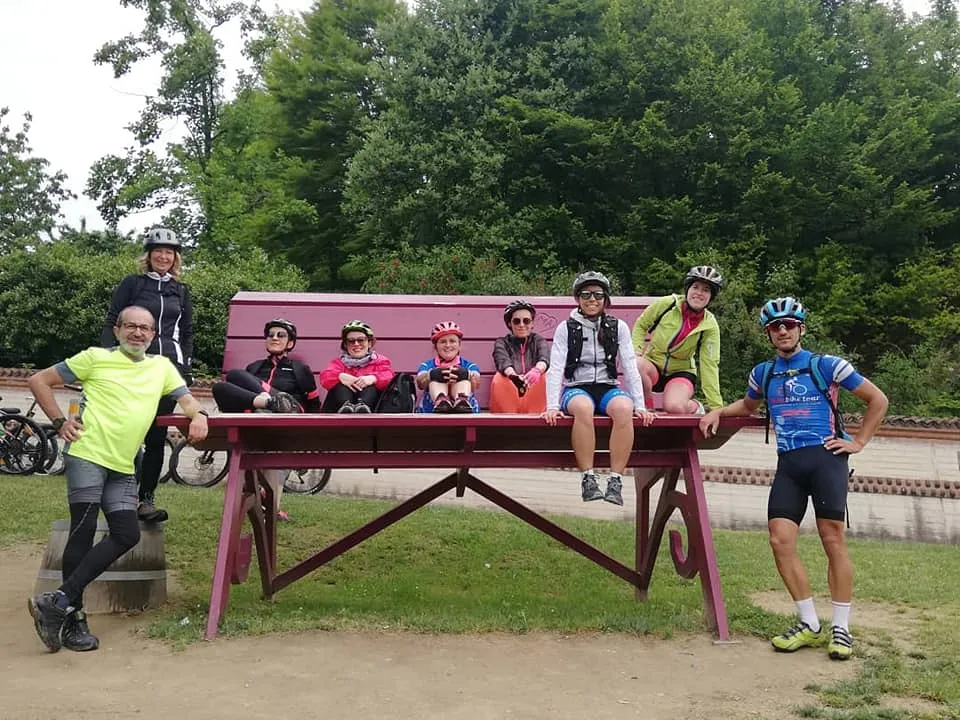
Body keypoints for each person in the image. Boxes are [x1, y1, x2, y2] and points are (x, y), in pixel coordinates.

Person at [699, 297, 888, 661]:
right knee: (779, 540)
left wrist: (859, 441)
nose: (782, 330)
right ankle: (809, 623)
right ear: (768, 334)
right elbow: (749, 405)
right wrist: (718, 411)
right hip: (789, 464)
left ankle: (841, 628)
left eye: (789, 325)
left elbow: (877, 399)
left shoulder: (827, 365)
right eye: (775, 326)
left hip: (827, 459)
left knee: (833, 540)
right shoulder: (763, 373)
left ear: (801, 329)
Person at [27, 306, 209, 653]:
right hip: (88, 454)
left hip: (123, 465)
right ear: (117, 330)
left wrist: (199, 415)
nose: (137, 333)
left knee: (127, 533)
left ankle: (58, 601)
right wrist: (59, 422)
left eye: (145, 328)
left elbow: (186, 399)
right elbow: (39, 380)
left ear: (153, 335)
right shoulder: (95, 358)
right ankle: (74, 620)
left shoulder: (161, 367)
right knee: (82, 532)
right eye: (131, 326)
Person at [101, 227, 194, 524]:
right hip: (136, 364)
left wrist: (186, 367)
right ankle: (121, 495)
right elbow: (113, 320)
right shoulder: (133, 284)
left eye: (169, 252)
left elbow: (187, 332)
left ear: (175, 257)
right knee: (129, 432)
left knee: (155, 436)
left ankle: (146, 499)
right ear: (149, 255)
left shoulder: (181, 290)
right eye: (158, 252)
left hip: (169, 369)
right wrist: (108, 359)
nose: (164, 257)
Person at [543, 271, 655, 506]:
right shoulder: (566, 328)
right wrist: (552, 406)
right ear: (577, 299)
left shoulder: (617, 327)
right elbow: (556, 367)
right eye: (585, 294)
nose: (592, 299)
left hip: (607, 387)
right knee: (583, 408)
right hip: (576, 387)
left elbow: (630, 366)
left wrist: (641, 405)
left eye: (598, 295)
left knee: (624, 408)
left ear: (606, 299)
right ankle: (588, 478)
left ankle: (616, 480)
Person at [631, 265, 723, 414]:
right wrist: (637, 349)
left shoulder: (710, 325)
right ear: (687, 289)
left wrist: (716, 408)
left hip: (681, 371)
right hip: (653, 364)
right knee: (636, 364)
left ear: (711, 296)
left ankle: (697, 407)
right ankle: (647, 408)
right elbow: (641, 324)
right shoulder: (667, 304)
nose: (699, 293)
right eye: (695, 287)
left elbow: (709, 365)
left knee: (675, 407)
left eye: (706, 290)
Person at [211, 318, 321, 415]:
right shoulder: (254, 367)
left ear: (290, 343)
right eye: (270, 335)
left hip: (290, 412)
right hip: (258, 411)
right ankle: (268, 403)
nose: (274, 338)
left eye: (281, 335)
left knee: (235, 375)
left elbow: (314, 402)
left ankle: (277, 403)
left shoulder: (300, 369)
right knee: (221, 385)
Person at [319, 320, 395, 413]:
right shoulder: (338, 363)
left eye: (361, 340)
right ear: (345, 345)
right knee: (340, 386)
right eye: (351, 341)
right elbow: (325, 377)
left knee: (371, 388)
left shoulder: (380, 361)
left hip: (372, 410)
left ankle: (362, 409)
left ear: (369, 343)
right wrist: (339, 376)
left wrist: (374, 378)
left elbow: (389, 376)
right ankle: (346, 409)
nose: (356, 344)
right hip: (339, 409)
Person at [490, 300, 550, 414]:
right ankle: (506, 418)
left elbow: (544, 357)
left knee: (544, 377)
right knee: (499, 378)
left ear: (532, 324)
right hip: (510, 391)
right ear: (510, 324)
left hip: (533, 392)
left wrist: (537, 370)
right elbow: (502, 360)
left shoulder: (539, 340)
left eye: (526, 321)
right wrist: (514, 377)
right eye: (516, 321)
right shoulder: (502, 342)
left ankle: (536, 417)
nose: (522, 325)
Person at [416, 321, 481, 413]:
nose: (448, 345)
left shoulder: (469, 365)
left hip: (465, 415)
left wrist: (467, 375)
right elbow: (420, 383)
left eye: (452, 341)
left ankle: (462, 402)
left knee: (464, 381)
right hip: (431, 413)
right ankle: (441, 402)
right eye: (443, 342)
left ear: (459, 345)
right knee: (435, 381)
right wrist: (431, 375)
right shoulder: (426, 365)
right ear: (436, 347)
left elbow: (476, 382)